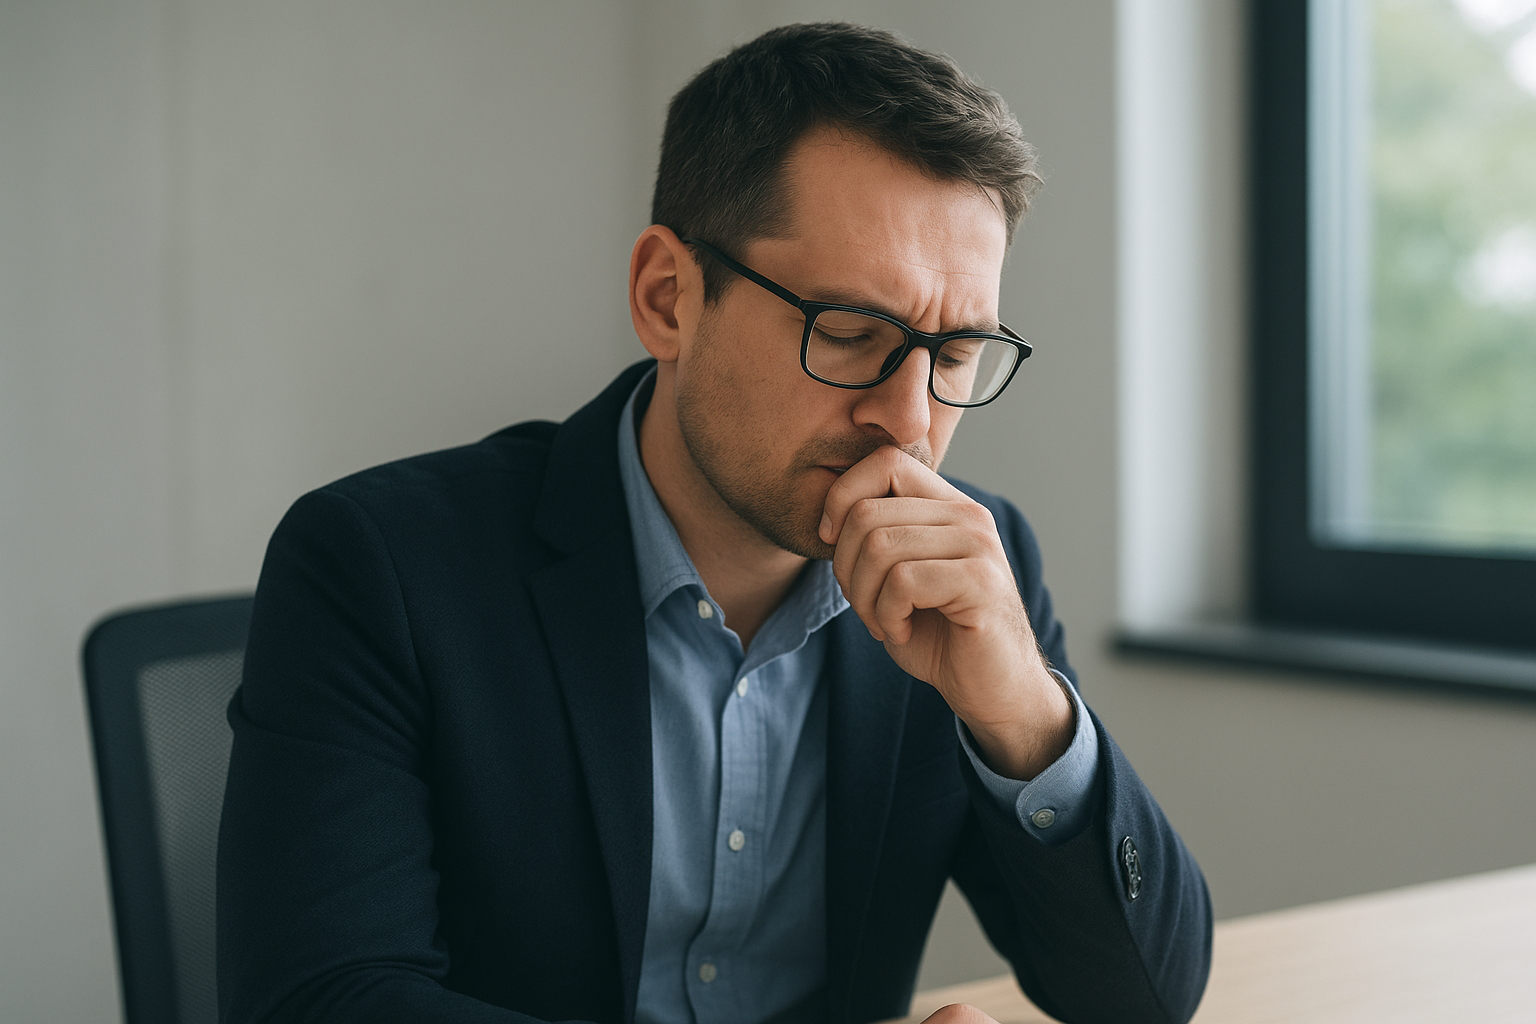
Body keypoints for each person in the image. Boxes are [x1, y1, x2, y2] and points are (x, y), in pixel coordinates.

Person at [217, 22, 1212, 1024]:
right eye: (851, 332)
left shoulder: (972, 572)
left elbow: (1142, 1000)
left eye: (954, 355)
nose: (910, 421)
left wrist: (1029, 723)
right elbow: (324, 1000)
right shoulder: (376, 566)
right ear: (668, 299)